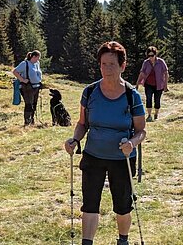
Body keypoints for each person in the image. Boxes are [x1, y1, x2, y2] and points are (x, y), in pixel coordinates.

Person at [64, 41, 146, 245]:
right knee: (90, 204)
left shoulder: (131, 95)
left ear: (122, 66)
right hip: (93, 156)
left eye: (112, 64)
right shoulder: (89, 92)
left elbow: (141, 131)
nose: (107, 69)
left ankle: (123, 240)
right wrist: (75, 139)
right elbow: (82, 123)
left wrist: (132, 143)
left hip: (122, 158)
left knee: (123, 205)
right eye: (103, 64)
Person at [135, 46, 169, 121]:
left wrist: (165, 85)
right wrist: (137, 83)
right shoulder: (146, 63)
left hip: (159, 85)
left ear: (155, 55)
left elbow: (166, 73)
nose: (150, 57)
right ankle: (149, 115)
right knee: (148, 99)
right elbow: (142, 73)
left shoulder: (161, 62)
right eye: (149, 56)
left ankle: (156, 114)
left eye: (152, 55)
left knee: (157, 100)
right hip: (148, 84)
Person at [12, 50, 42, 125]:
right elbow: (15, 71)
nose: (38, 60)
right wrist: (22, 80)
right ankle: (27, 122)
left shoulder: (37, 63)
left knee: (34, 104)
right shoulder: (24, 64)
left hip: (36, 87)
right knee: (29, 104)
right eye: (37, 58)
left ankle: (32, 121)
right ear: (33, 57)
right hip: (27, 88)